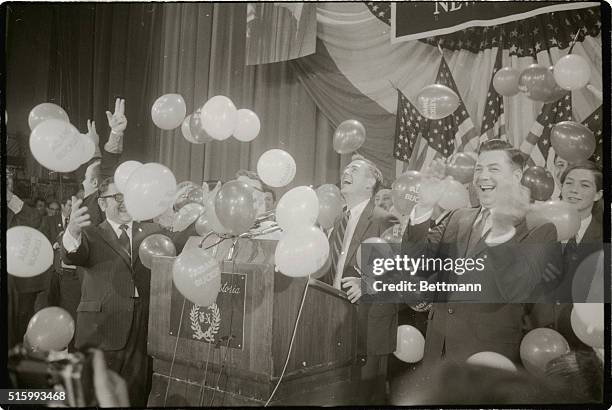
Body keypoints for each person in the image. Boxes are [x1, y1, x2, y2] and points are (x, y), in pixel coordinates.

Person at [402, 147, 559, 366]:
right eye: (479, 169)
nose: (483, 176)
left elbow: (515, 289)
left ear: (516, 177)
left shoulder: (539, 228)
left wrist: (502, 229)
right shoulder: (458, 216)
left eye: (493, 169)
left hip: (488, 358)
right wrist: (424, 207)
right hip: (437, 351)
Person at [61, 177, 194, 406]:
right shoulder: (90, 234)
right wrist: (72, 231)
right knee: (98, 396)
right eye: (117, 197)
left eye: (129, 197)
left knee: (135, 393)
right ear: (102, 204)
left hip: (142, 329)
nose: (124, 203)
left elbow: (178, 243)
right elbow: (73, 254)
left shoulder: (152, 231)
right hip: (101, 330)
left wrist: (199, 212)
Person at [321, 154, 397, 404]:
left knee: (364, 398)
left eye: (354, 169)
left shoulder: (383, 219)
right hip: (334, 321)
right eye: (346, 168)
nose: (346, 171)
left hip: (368, 323)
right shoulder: (337, 220)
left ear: (370, 182)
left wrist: (367, 284)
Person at [530, 162, 603, 348]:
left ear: (598, 195)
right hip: (533, 338)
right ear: (561, 187)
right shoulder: (536, 229)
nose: (574, 190)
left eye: (585, 185)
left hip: (584, 343)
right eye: (569, 183)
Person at [7, 171, 46, 348]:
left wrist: (10, 199)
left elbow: (36, 220)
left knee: (17, 323)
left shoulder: (18, 206)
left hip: (18, 281)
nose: (6, 182)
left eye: (8, 178)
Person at [79, 98, 127, 226]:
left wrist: (116, 132)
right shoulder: (90, 202)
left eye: (85, 178)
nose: (82, 182)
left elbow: (105, 170)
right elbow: (99, 168)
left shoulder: (95, 201)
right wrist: (93, 147)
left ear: (95, 182)